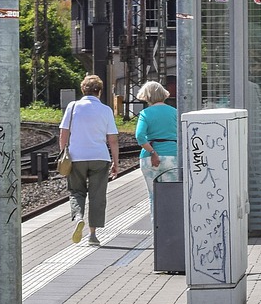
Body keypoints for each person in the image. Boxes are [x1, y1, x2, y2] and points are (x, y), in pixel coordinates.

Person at [59, 74, 121, 246]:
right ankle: (92, 235)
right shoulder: (106, 110)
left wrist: (64, 154)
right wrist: (116, 162)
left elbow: (63, 134)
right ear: (99, 92)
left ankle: (78, 216)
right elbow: (113, 140)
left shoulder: (72, 107)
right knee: (97, 196)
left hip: (76, 157)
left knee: (76, 191)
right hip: (100, 157)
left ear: (83, 89)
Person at [133, 80, 178, 194]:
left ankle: (155, 212)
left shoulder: (145, 113)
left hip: (149, 159)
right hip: (172, 156)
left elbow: (140, 136)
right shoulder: (175, 112)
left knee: (153, 196)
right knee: (172, 195)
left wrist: (153, 152)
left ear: (147, 97)